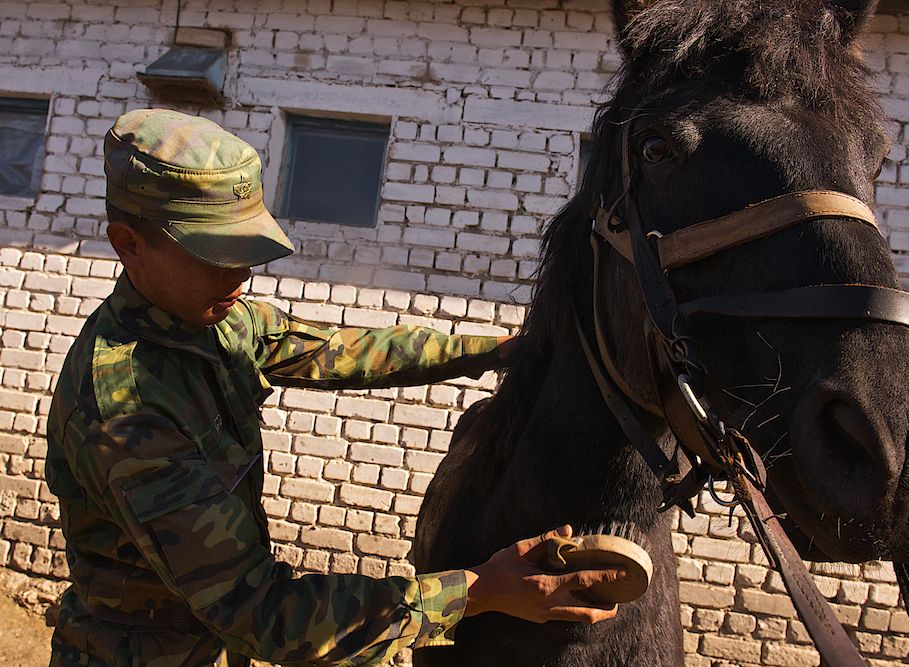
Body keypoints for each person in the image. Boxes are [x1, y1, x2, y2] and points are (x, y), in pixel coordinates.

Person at [44, 109, 620, 667]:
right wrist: (477, 591)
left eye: (247, 253)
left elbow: (340, 351)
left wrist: (494, 351)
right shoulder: (126, 412)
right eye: (216, 255)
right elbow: (262, 612)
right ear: (129, 245)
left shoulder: (213, 319)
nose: (241, 278)